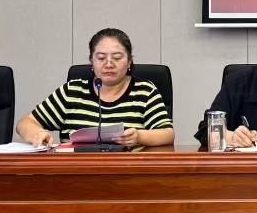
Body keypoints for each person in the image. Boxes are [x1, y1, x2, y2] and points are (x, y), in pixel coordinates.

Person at [16, 28, 174, 148]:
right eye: (101, 58)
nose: (109, 64)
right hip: (75, 172)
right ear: (92, 61)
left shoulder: (144, 91)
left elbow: (167, 134)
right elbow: (25, 123)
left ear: (129, 62)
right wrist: (37, 133)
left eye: (117, 57)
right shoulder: (72, 91)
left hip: (128, 172)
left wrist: (139, 137)